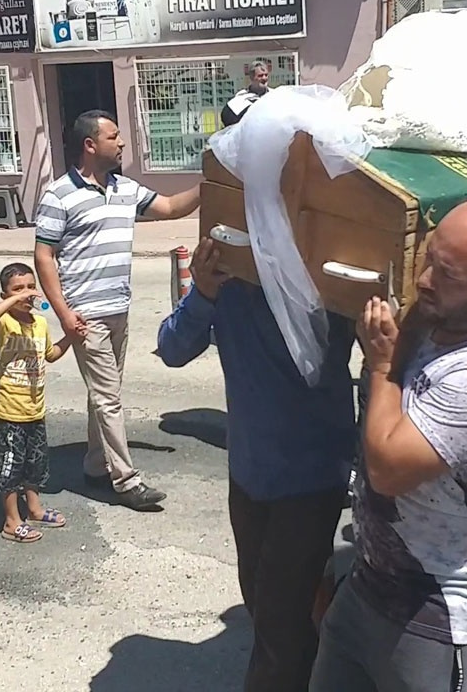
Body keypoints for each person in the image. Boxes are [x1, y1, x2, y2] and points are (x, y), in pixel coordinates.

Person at [310, 198, 467, 692]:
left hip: (438, 613)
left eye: (448, 274)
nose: (427, 279)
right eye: (428, 258)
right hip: (371, 585)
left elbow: (388, 469)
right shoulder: (435, 320)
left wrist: (382, 364)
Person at [157, 237, 356, 691]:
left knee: (280, 630)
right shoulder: (226, 276)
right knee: (265, 604)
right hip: (250, 470)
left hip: (312, 472)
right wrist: (203, 293)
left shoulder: (326, 270)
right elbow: (172, 348)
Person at [34, 110, 199, 511]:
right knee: (108, 397)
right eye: (114, 136)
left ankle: (94, 464)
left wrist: (211, 183)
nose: (122, 143)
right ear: (90, 145)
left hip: (117, 308)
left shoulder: (125, 188)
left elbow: (172, 207)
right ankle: (126, 481)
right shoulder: (59, 195)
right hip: (85, 314)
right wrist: (63, 312)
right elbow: (43, 255)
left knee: (105, 394)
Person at [0, 263, 72, 544]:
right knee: (10, 468)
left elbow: (50, 354)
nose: (26, 293)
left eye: (30, 287)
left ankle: (34, 508)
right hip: (10, 411)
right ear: (4, 295)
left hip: (35, 409)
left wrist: (72, 337)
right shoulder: (5, 321)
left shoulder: (40, 323)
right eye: (17, 288)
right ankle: (11, 521)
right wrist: (11, 302)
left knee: (35, 464)